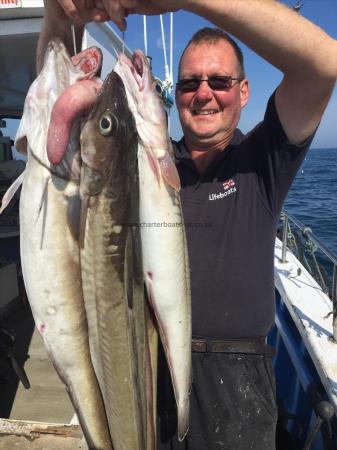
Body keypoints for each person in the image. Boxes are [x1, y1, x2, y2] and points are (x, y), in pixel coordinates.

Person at [37, 1, 337, 449]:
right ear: (174, 95)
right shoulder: (140, 163)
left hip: (237, 389)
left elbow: (323, 64)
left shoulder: (263, 160)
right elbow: (51, 100)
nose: (203, 94)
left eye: (219, 81)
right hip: (143, 362)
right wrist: (56, 15)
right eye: (189, 84)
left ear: (244, 92)